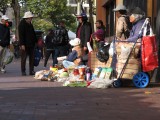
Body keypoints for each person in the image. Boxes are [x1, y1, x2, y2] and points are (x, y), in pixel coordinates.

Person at [18, 11, 37, 76]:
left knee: (32, 58)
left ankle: (31, 70)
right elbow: (21, 35)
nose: (31, 19)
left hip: (31, 44)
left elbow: (33, 34)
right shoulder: (22, 24)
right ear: (27, 18)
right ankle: (23, 71)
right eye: (31, 18)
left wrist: (35, 41)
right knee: (24, 58)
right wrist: (22, 44)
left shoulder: (30, 24)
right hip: (25, 44)